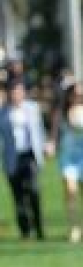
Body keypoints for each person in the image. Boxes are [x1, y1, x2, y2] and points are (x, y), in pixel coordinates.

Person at [49, 81, 83, 243]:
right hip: (68, 155)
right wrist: (51, 145)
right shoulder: (61, 111)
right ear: (70, 95)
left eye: (82, 94)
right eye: (76, 94)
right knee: (70, 190)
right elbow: (54, 135)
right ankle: (74, 227)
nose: (79, 96)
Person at [0, 78, 47, 240]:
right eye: (14, 92)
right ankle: (25, 230)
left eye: (19, 91)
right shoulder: (3, 112)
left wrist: (45, 145)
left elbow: (40, 130)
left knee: (34, 190)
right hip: (12, 158)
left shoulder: (32, 108)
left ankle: (39, 228)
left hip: (30, 156)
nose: (16, 95)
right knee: (18, 195)